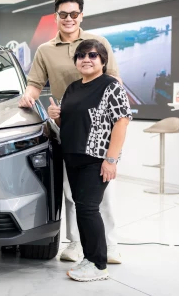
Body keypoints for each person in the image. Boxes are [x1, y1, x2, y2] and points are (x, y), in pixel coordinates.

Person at [18, 0, 123, 264]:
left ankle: (109, 244)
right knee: (70, 189)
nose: (69, 19)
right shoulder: (45, 50)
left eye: (74, 14)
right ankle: (76, 242)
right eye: (63, 14)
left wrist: (115, 117)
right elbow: (35, 83)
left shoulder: (98, 43)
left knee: (102, 188)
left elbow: (114, 80)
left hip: (99, 127)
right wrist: (28, 96)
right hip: (65, 125)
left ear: (81, 16)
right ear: (56, 17)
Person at [48, 39, 131, 281]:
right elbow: (69, 123)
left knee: (88, 209)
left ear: (103, 60)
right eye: (81, 56)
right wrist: (56, 116)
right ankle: (89, 258)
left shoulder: (111, 86)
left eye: (93, 55)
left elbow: (122, 122)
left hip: (95, 158)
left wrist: (111, 160)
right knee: (82, 208)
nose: (86, 59)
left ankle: (97, 264)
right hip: (72, 156)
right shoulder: (73, 88)